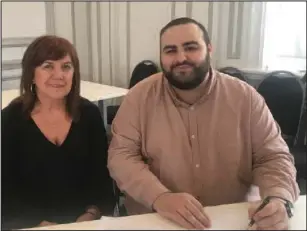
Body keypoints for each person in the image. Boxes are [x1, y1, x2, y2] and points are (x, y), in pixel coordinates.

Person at [108, 17, 300, 230]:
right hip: (158, 219)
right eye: (170, 50)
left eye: (190, 47)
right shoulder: (138, 98)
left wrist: (278, 198)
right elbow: (121, 157)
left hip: (233, 218)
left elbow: (272, 156)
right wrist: (160, 197)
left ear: (209, 49)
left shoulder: (245, 98)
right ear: (161, 56)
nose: (181, 58)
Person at [2, 35, 115, 229]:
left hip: (84, 224)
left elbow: (102, 177)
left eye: (66, 67)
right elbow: (4, 188)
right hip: (27, 224)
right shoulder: (10, 119)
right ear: (31, 73)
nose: (59, 75)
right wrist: (37, 223)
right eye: (47, 66)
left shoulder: (89, 114)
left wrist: (91, 214)